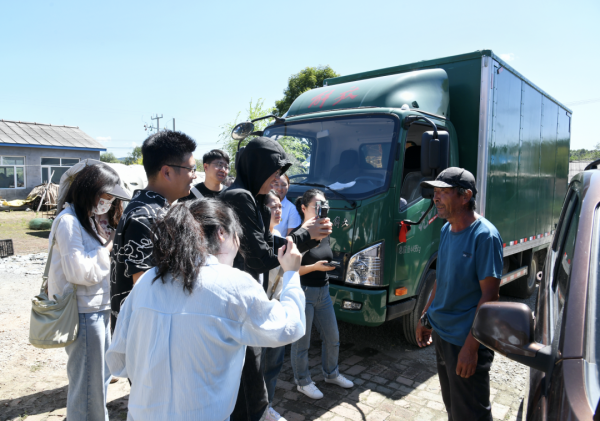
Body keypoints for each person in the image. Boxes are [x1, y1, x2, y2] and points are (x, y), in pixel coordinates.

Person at [106, 199, 306, 421]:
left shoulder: (147, 281)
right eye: (237, 237)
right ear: (221, 233)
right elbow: (290, 327)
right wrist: (291, 273)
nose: (238, 245)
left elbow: (119, 361)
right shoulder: (233, 284)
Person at [220, 137, 332, 421]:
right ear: (258, 167)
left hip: (244, 300)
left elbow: (267, 242)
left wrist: (307, 236)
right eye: (274, 171)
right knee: (247, 387)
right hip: (237, 304)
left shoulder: (251, 197)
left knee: (252, 380)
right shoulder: (239, 197)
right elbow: (259, 256)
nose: (277, 179)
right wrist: (305, 236)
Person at [416, 167, 503, 421]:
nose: (436, 198)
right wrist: (426, 317)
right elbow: (442, 280)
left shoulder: (485, 236)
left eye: (443, 192)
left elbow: (490, 298)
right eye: (435, 192)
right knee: (454, 409)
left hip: (466, 340)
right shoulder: (446, 230)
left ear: (465, 196)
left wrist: (471, 348)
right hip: (443, 336)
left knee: (472, 415)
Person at [47, 164, 129, 421]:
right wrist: (108, 247)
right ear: (89, 190)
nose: (108, 203)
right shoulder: (69, 222)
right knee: (87, 386)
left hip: (96, 308)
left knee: (98, 379)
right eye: (106, 196)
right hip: (84, 312)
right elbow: (79, 272)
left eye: (111, 198)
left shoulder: (87, 219)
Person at [110, 130, 197, 331]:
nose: (194, 176)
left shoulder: (151, 208)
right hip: (145, 336)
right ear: (167, 172)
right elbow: (145, 291)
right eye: (191, 169)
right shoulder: (146, 217)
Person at [290, 189, 354, 400]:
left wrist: (327, 266)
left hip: (323, 291)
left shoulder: (325, 231)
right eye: (317, 206)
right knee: (302, 342)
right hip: (304, 291)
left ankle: (331, 374)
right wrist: (315, 267)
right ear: (303, 208)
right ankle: (302, 381)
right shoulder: (298, 236)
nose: (322, 209)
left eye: (324, 205)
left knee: (332, 337)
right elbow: (291, 269)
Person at [262, 190, 287, 421]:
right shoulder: (256, 241)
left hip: (276, 307)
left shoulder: (279, 235)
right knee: (257, 365)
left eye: (280, 206)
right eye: (273, 207)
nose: (278, 210)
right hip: (260, 311)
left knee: (273, 363)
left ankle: (267, 406)